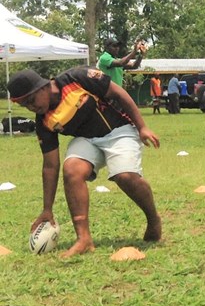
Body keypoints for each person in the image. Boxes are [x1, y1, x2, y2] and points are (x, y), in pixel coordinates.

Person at [8, 66, 162, 258]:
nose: (31, 108)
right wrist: (47, 209)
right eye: (25, 106)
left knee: (125, 176)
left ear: (43, 87)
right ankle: (84, 239)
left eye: (31, 100)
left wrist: (142, 127)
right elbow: (50, 166)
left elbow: (119, 93)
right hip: (87, 139)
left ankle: (153, 219)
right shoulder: (44, 122)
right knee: (71, 169)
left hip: (119, 130)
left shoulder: (76, 78)